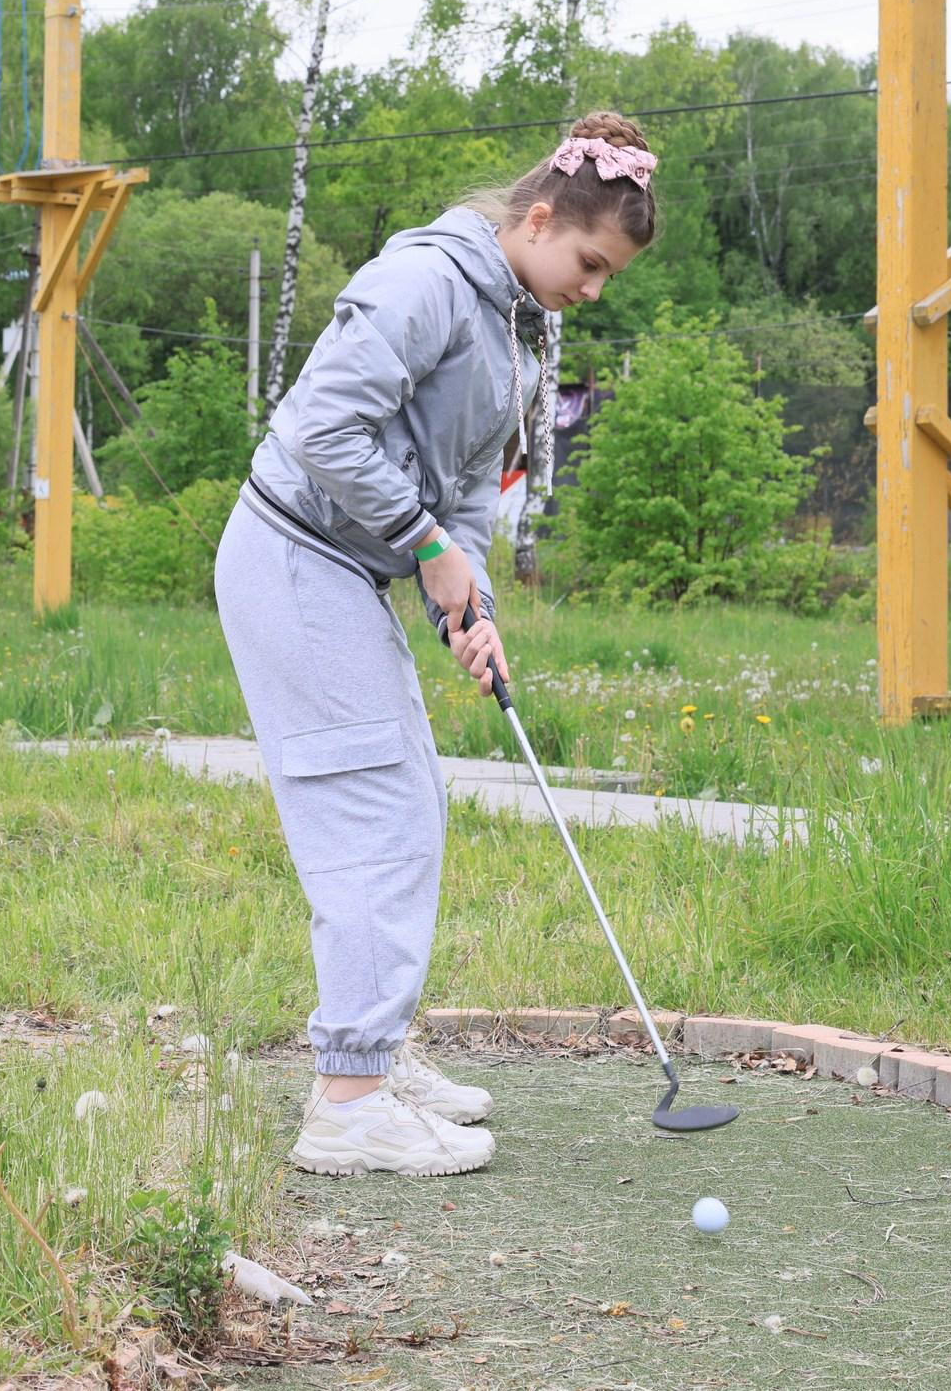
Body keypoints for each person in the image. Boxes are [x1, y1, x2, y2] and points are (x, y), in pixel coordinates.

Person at [223, 111, 657, 1176]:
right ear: (540, 218)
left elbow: (464, 494)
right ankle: (349, 1105)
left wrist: (469, 606)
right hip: (291, 555)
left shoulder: (514, 325)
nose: (594, 289)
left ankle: (376, 1052)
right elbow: (322, 429)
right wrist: (423, 545)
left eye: (608, 276)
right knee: (374, 815)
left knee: (412, 799)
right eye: (590, 263)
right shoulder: (424, 280)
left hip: (340, 568)